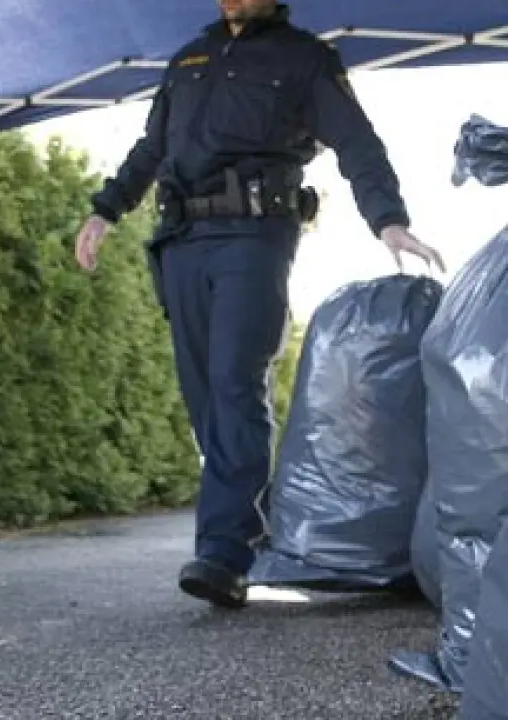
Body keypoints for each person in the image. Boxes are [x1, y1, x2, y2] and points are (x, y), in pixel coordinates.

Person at [71, 0, 445, 609]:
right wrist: (104, 211)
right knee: (205, 396)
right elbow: (150, 148)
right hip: (180, 240)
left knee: (234, 381)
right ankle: (258, 520)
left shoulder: (304, 59)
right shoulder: (188, 60)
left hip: (253, 236)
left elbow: (357, 142)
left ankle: (225, 553)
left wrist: (389, 220)